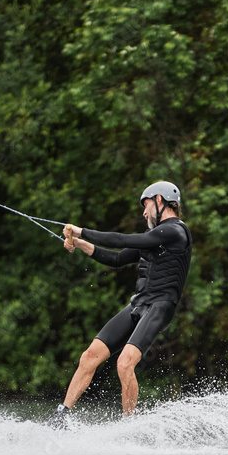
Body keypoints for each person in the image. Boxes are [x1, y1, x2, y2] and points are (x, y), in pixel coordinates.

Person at [49, 181, 192, 423]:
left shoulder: (175, 232)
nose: (144, 212)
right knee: (89, 356)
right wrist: (80, 243)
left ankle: (129, 427)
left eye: (146, 205)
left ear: (160, 200)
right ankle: (61, 416)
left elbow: (120, 239)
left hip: (160, 306)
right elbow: (116, 259)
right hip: (138, 303)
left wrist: (81, 231)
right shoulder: (153, 238)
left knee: (124, 364)